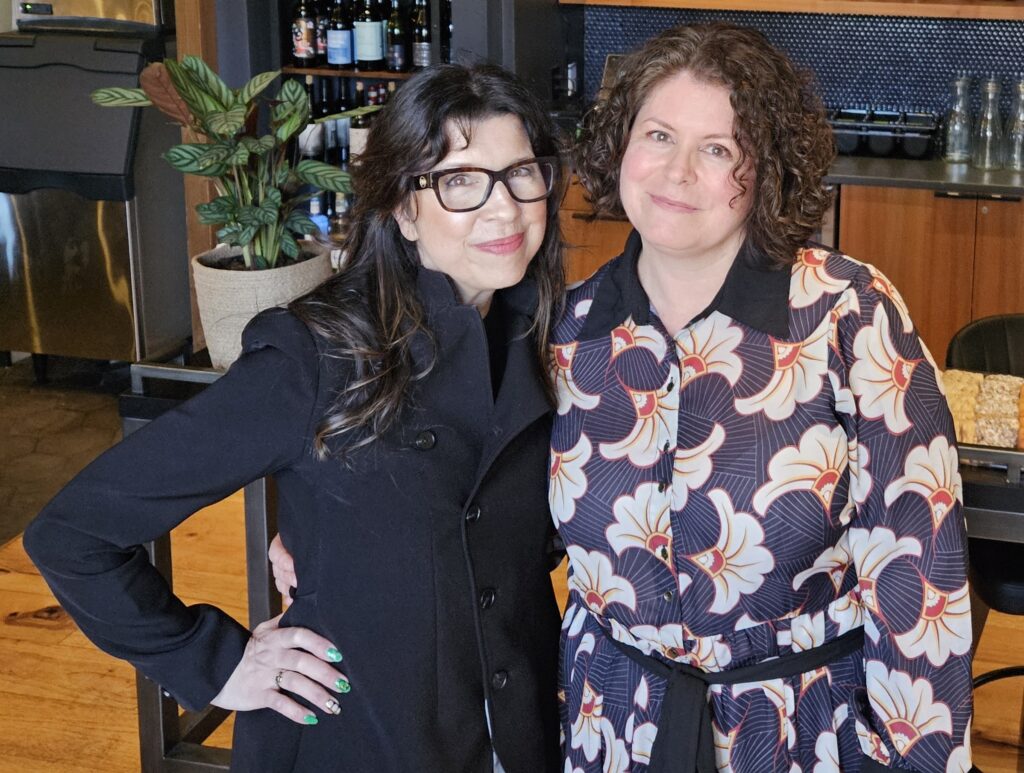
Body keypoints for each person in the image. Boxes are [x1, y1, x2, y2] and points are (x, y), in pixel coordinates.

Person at [24, 63, 567, 772]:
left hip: (516, 731)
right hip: (358, 739)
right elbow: (73, 533)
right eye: (460, 181)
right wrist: (215, 662)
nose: (505, 209)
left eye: (521, 173)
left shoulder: (545, 338)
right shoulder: (317, 353)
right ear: (403, 207)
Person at [551, 23, 974, 773]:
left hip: (796, 729)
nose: (677, 171)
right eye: (658, 135)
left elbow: (919, 567)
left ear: (765, 169)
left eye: (717, 149)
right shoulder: (569, 327)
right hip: (613, 722)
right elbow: (487, 516)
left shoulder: (850, 312)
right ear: (619, 146)